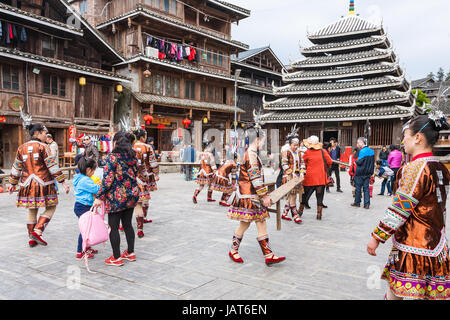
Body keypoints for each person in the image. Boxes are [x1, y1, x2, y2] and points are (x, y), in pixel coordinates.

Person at [367, 113, 450, 300]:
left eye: (405, 137)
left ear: (418, 138)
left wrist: (377, 237)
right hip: (437, 243)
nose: (403, 142)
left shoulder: (413, 168)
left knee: (395, 294)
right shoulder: (441, 168)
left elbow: (399, 210)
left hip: (412, 243)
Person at [227, 125, 286, 266]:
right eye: (263, 140)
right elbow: (255, 179)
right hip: (250, 196)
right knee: (248, 223)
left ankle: (267, 254)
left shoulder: (250, 153)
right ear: (258, 140)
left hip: (250, 195)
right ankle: (235, 250)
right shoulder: (251, 155)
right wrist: (265, 196)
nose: (264, 143)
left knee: (257, 222)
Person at [8, 122, 70, 247]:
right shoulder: (44, 147)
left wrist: (12, 183)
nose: (45, 136)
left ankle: (31, 238)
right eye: (44, 133)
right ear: (38, 133)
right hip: (44, 182)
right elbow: (52, 165)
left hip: (26, 184)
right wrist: (63, 182)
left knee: (32, 209)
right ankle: (37, 231)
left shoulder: (22, 147)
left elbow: (16, 167)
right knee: (52, 206)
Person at [93, 131, 140, 267]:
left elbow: (107, 179)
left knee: (114, 227)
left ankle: (116, 257)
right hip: (131, 194)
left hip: (117, 196)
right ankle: (130, 253)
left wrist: (100, 197)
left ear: (116, 142)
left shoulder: (113, 157)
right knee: (127, 225)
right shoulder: (133, 156)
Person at [298, 136, 332, 220]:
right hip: (320, 177)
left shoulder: (307, 152)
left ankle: (300, 211)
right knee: (320, 196)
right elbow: (329, 162)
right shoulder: (323, 151)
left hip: (309, 177)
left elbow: (303, 164)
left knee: (304, 195)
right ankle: (319, 214)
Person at [73, 157, 100, 259]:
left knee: (88, 228)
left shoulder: (79, 177)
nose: (94, 173)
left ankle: (87, 247)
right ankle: (80, 251)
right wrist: (99, 184)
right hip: (84, 206)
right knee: (85, 229)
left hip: (81, 205)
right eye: (93, 171)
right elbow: (97, 189)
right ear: (88, 170)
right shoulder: (85, 180)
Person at [280, 129, 305, 224]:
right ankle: (295, 216)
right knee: (293, 196)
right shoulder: (286, 152)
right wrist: (291, 172)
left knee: (291, 196)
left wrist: (302, 172)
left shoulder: (299, 153)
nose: (296, 147)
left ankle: (284, 213)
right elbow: (284, 164)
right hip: (288, 177)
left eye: (297, 145)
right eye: (294, 145)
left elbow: (302, 163)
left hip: (297, 177)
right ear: (290, 144)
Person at [132, 129, 153, 238]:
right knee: (143, 201)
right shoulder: (148, 147)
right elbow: (153, 162)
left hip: (130, 179)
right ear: (142, 137)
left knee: (133, 203)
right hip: (143, 177)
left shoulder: (131, 147)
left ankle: (122, 224)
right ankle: (140, 227)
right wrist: (155, 174)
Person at [351, 137, 375, 209]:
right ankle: (367, 204)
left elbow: (360, 161)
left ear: (362, 143)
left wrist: (355, 162)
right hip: (368, 173)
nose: (357, 144)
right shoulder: (372, 151)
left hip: (360, 172)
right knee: (366, 188)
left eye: (358, 143)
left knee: (358, 188)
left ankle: (357, 202)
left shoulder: (362, 151)